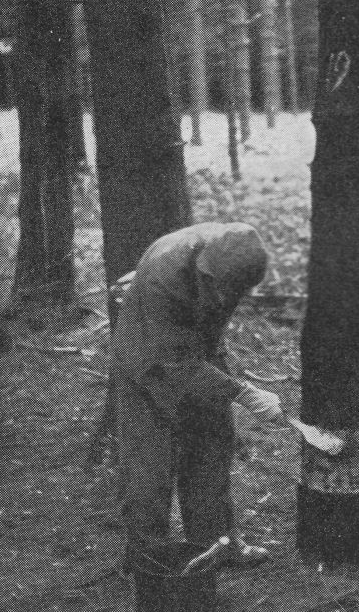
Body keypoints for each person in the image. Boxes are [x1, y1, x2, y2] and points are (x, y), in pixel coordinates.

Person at [112, 222, 286, 568]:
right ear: (207, 265)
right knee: (150, 461)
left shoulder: (236, 259)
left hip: (195, 354)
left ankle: (216, 544)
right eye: (221, 286)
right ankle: (149, 559)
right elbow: (171, 359)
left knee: (212, 443)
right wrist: (244, 393)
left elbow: (208, 328)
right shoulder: (168, 269)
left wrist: (221, 379)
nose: (227, 294)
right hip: (147, 362)